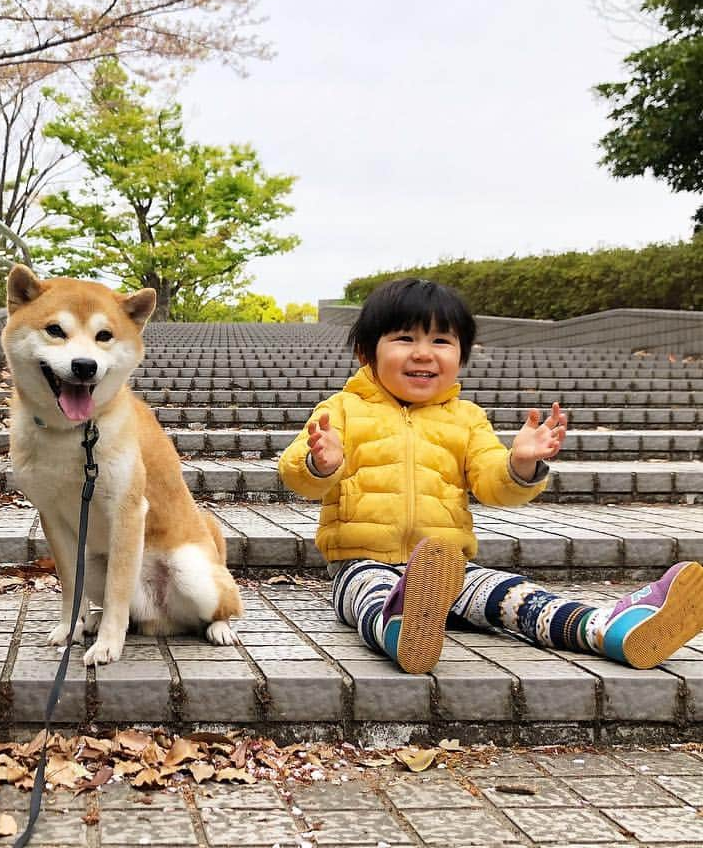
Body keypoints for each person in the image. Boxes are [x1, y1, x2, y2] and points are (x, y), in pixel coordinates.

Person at [278, 277, 703, 674]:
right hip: (361, 561)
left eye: (441, 341)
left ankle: (609, 628)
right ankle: (400, 626)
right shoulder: (342, 411)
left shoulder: (467, 419)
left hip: (449, 566)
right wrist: (323, 464)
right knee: (369, 595)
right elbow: (295, 475)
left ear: (460, 356)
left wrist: (520, 464)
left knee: (515, 596)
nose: (423, 353)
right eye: (405, 338)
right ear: (367, 353)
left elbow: (492, 483)